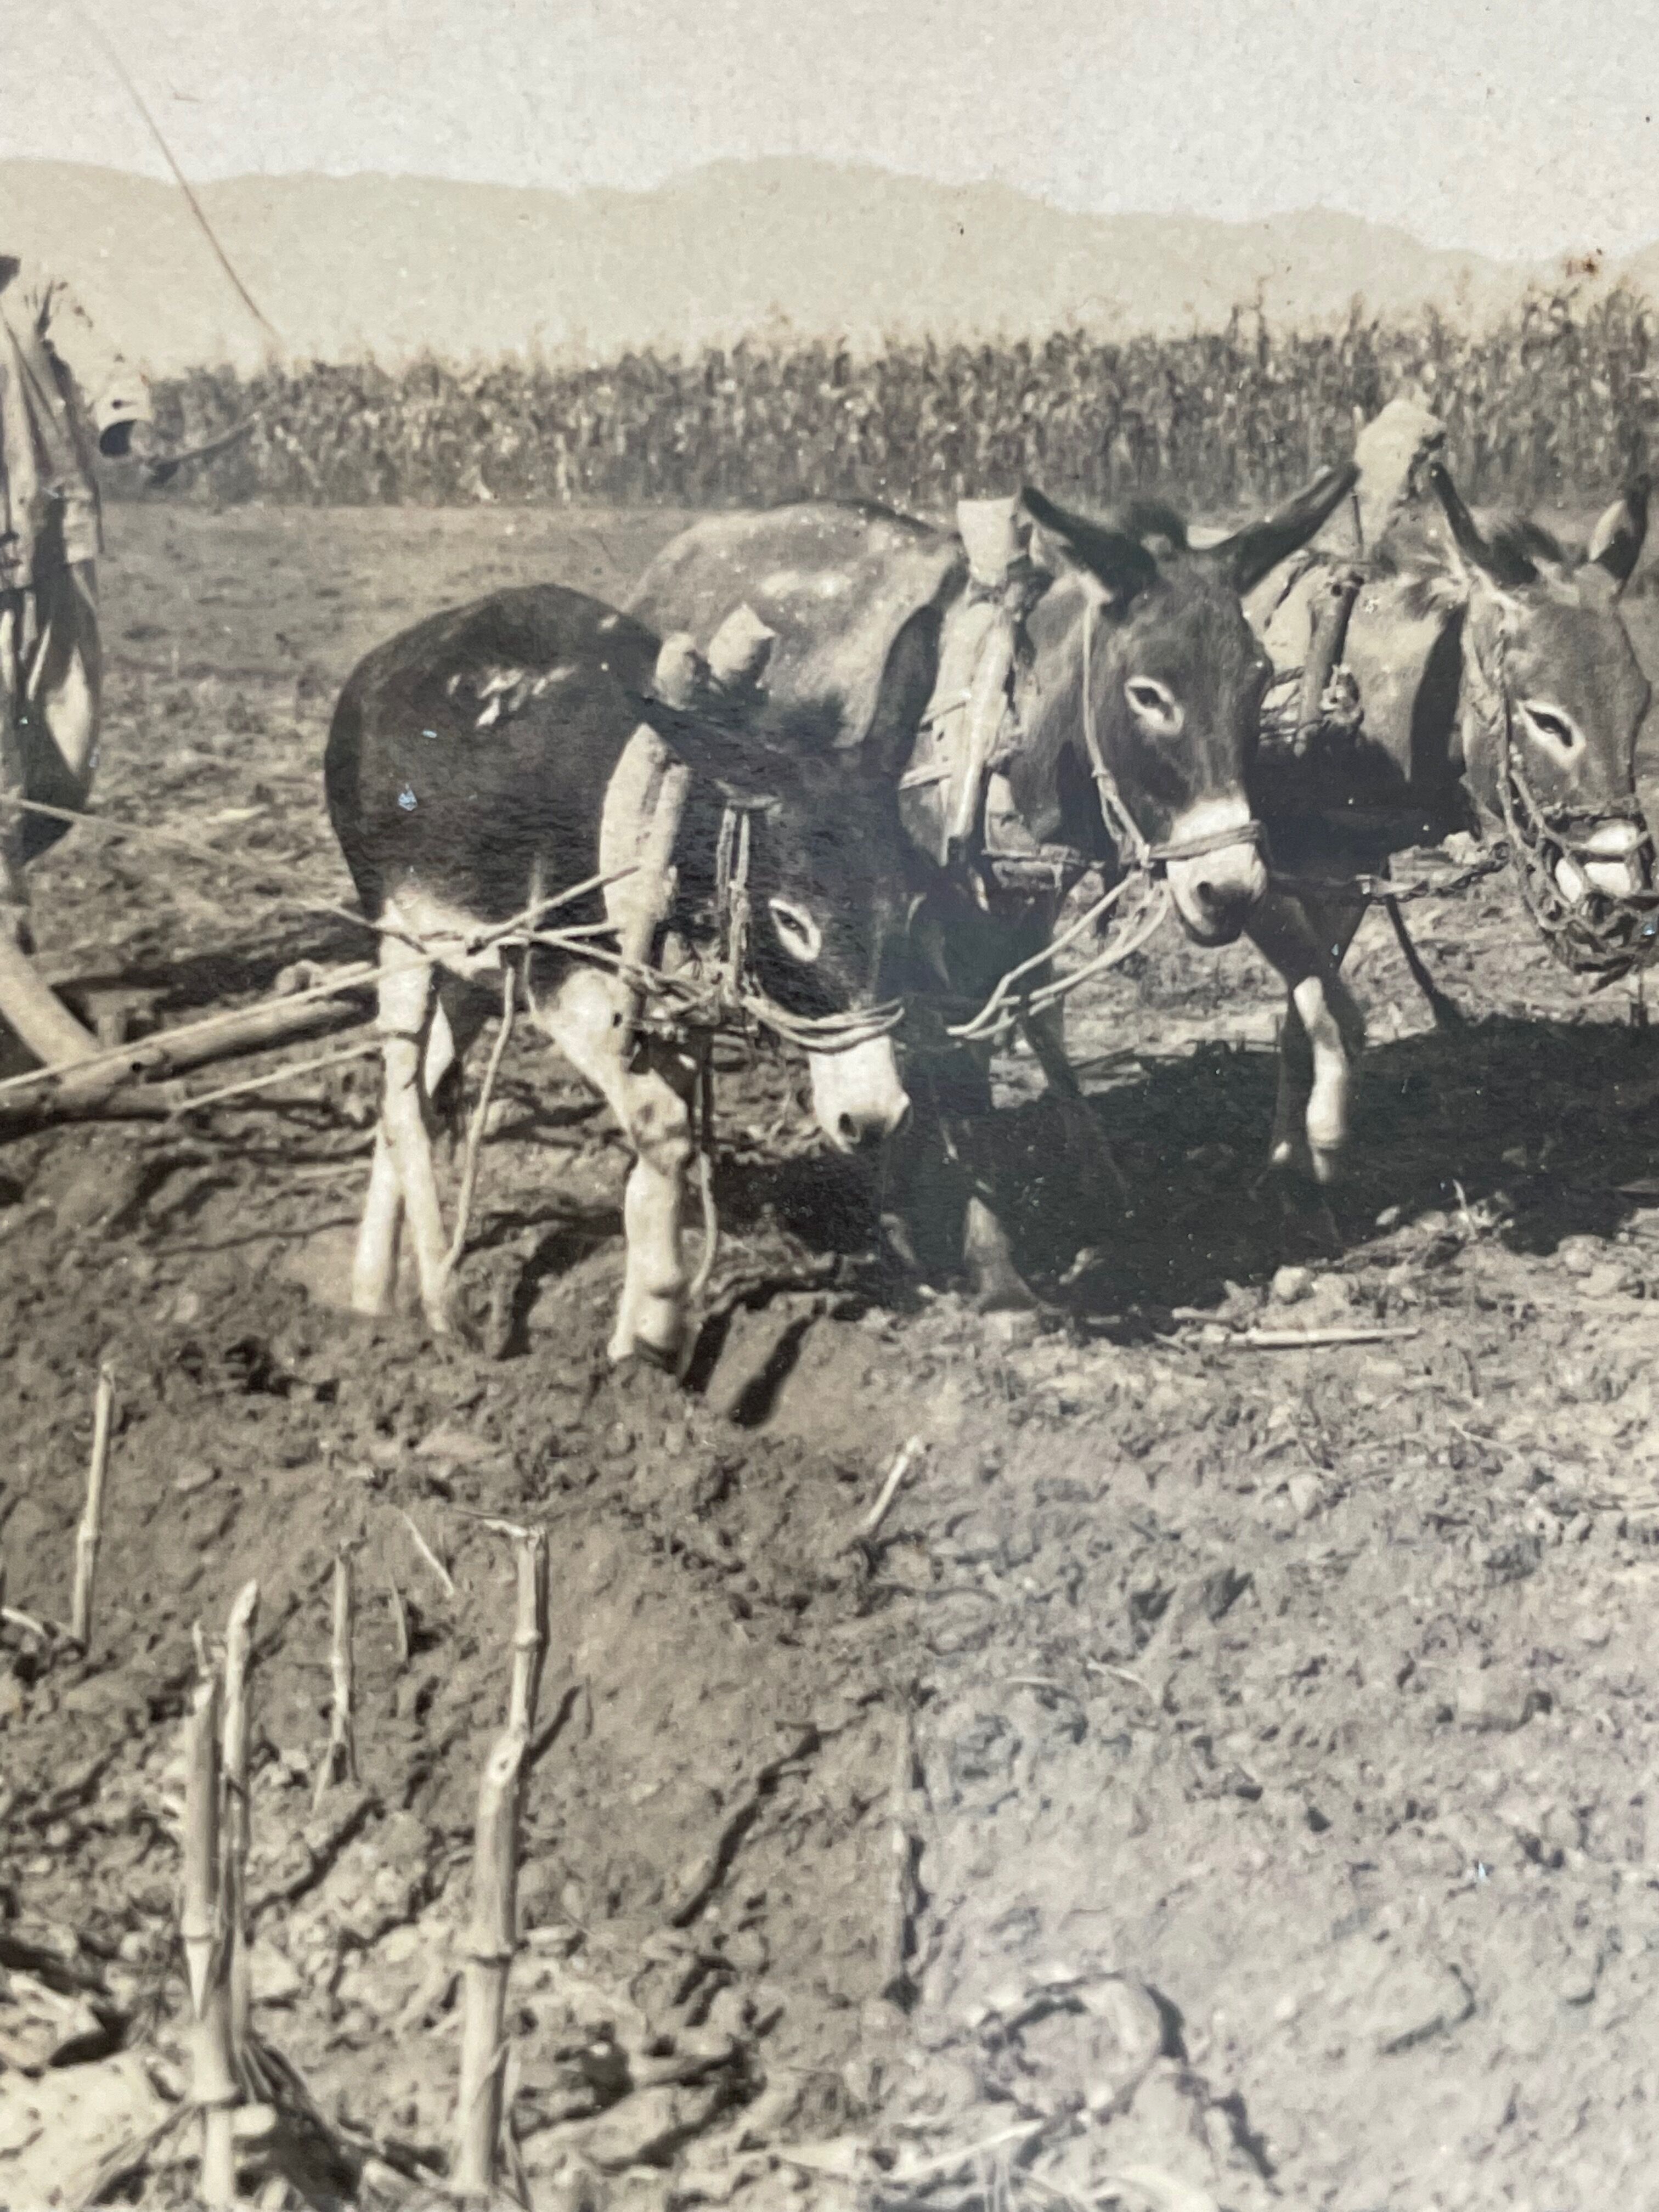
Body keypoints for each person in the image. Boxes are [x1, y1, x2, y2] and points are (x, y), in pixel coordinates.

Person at [0, 254, 153, 951]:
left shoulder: (33, 294)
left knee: (66, 750)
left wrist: (123, 422)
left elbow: (97, 359)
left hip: (52, 543)